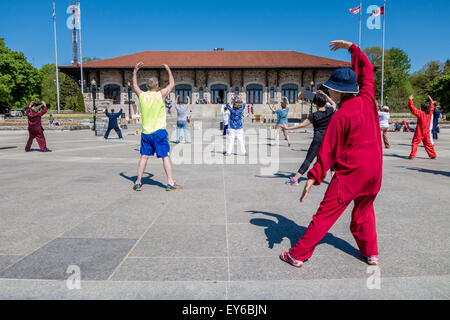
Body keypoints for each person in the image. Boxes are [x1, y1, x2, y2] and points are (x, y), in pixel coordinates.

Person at [280, 40, 383, 268]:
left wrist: (314, 176)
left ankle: (297, 254)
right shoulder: (367, 99)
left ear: (336, 91)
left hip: (351, 174)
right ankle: (371, 253)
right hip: (374, 172)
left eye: (331, 89)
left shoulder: (340, 116)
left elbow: (327, 150)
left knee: (325, 215)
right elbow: (366, 71)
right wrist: (351, 47)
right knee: (364, 212)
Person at [132, 62, 181, 192]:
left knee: (144, 156)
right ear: (157, 85)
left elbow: (135, 86)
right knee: (165, 156)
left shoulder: (141, 95)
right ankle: (170, 182)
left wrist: (135, 71)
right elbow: (171, 84)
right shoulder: (160, 94)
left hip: (146, 133)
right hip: (159, 132)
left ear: (147, 86)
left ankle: (138, 182)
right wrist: (169, 70)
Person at [283, 90, 337, 186]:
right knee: (332, 160)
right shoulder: (330, 110)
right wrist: (324, 94)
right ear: (325, 102)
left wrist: (287, 128)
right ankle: (334, 181)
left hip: (318, 139)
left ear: (315, 103)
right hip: (328, 139)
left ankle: (295, 179)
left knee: (309, 159)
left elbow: (301, 125)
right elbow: (333, 103)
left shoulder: (314, 116)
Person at [407, 95, 437, 160]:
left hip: (419, 131)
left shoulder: (420, 113)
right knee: (428, 144)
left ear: (422, 108)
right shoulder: (429, 113)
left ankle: (412, 155)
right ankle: (432, 154)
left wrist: (410, 100)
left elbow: (412, 108)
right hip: (426, 131)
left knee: (415, 143)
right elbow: (432, 107)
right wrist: (431, 101)